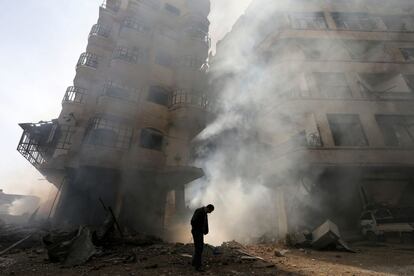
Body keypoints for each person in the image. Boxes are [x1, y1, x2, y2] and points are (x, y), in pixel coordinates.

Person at [191, 204, 214, 271]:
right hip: (197, 232)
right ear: (208, 208)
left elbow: (205, 223)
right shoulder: (199, 211)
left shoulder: (204, 212)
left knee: (199, 247)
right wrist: (197, 229)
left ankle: (194, 262)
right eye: (210, 211)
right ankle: (198, 266)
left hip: (199, 232)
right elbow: (193, 221)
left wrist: (206, 231)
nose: (210, 213)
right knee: (199, 248)